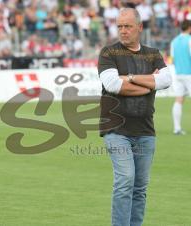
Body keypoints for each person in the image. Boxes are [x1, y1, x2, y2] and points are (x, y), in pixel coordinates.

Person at [98, 8, 172, 226]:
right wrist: (148, 83)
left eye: (127, 26)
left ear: (139, 27)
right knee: (125, 180)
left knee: (140, 187)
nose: (122, 31)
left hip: (145, 130)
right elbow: (113, 85)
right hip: (115, 129)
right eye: (119, 26)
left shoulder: (152, 53)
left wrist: (130, 78)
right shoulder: (108, 53)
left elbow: (166, 80)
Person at [171, 19, 191, 135]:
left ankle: (177, 128)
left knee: (179, 100)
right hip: (189, 74)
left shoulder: (174, 41)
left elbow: (172, 59)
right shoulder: (189, 40)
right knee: (179, 100)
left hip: (178, 74)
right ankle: (177, 128)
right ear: (189, 28)